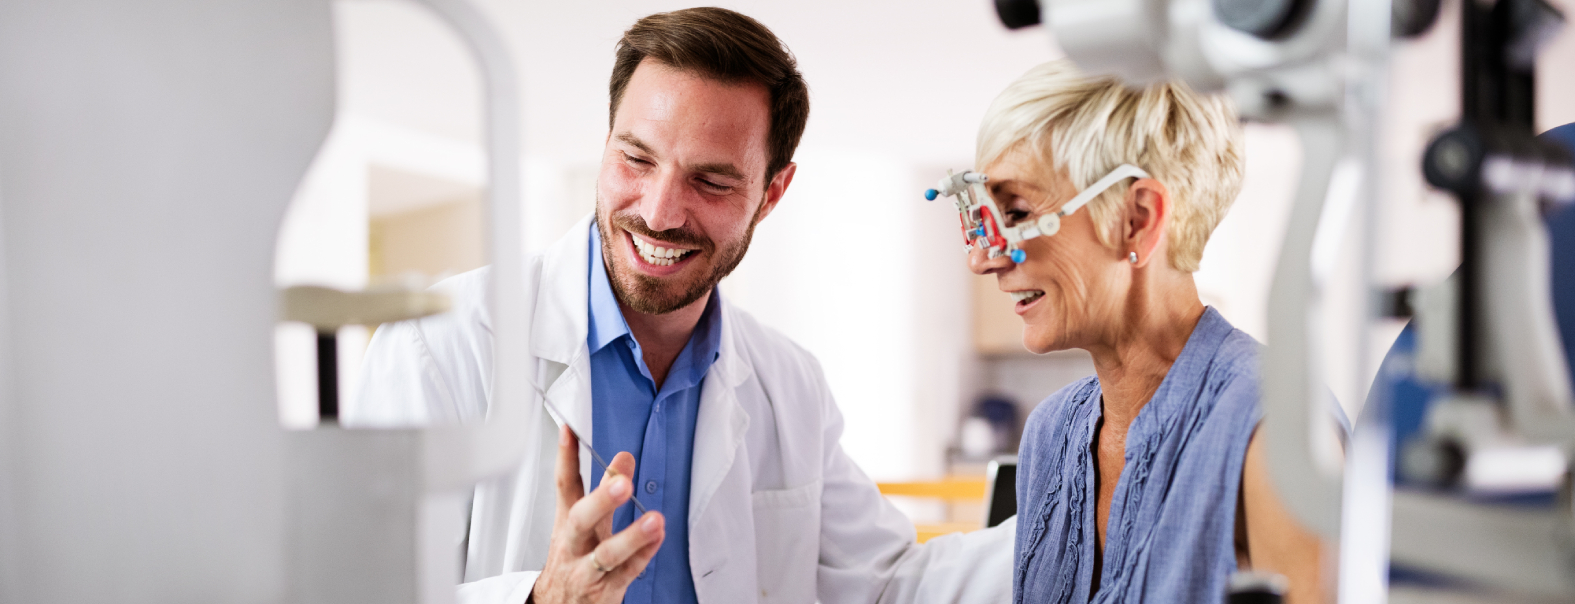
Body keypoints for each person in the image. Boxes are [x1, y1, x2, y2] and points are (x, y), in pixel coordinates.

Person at [349, 8, 1011, 604]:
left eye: (711, 181)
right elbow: (353, 587)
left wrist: (1099, 507)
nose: (660, 212)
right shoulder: (439, 341)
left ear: (772, 193)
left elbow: (889, 584)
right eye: (636, 158)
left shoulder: (789, 383)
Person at [964, 61, 1331, 603]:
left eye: (1016, 211)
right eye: (981, 220)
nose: (981, 260)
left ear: (1136, 218)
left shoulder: (1272, 427)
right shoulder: (1050, 433)